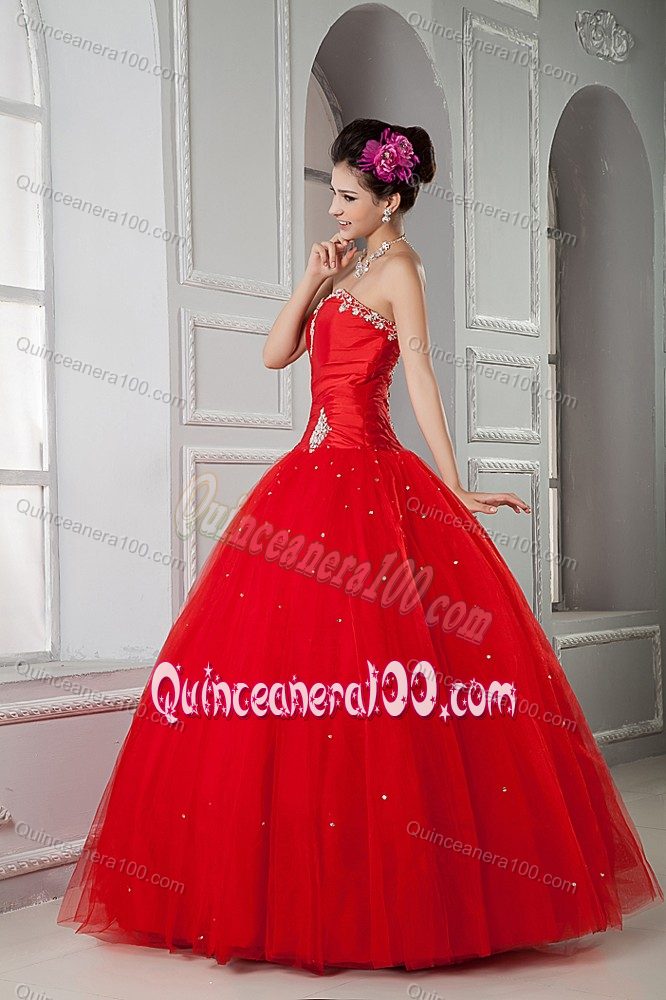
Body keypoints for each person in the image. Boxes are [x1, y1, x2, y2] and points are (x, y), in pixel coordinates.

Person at [57, 118, 663, 975]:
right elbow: (276, 356)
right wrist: (311, 281)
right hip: (307, 480)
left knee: (380, 685)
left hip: (371, 478)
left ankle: (393, 888)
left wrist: (452, 483)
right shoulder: (343, 269)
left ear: (390, 198)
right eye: (333, 194)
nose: (335, 208)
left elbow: (420, 373)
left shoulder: (402, 270)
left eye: (348, 196)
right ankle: (297, 883)